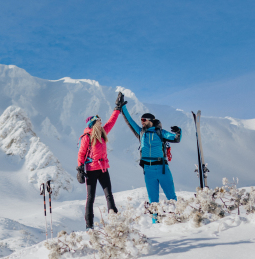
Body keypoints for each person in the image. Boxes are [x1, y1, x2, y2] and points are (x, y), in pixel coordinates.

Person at [120, 98, 181, 215]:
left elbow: (176, 138)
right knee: (153, 201)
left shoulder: (160, 132)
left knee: (172, 197)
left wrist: (179, 132)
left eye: (144, 119)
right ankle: (155, 222)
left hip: (162, 168)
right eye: (141, 120)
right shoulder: (141, 133)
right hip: (148, 170)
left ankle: (177, 218)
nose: (141, 122)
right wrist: (123, 107)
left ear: (151, 121)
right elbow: (130, 121)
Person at [77, 92, 126, 230]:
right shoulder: (87, 136)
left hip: (103, 168)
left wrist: (117, 108)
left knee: (109, 194)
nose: (101, 121)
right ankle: (89, 226)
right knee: (90, 197)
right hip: (91, 170)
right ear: (93, 123)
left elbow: (111, 121)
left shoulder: (103, 133)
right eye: (99, 120)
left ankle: (115, 220)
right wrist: (80, 169)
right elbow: (81, 153)